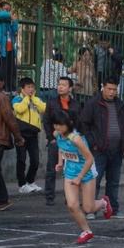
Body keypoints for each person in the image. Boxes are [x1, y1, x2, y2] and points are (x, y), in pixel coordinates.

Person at [50, 109, 113, 244]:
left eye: (61, 124)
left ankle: (104, 203)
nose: (57, 127)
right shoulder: (57, 134)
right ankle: (87, 231)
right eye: (55, 124)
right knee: (72, 205)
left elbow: (90, 159)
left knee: (88, 208)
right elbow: (61, 146)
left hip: (86, 171)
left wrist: (80, 177)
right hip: (69, 172)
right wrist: (60, 162)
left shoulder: (76, 138)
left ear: (70, 123)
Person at [79, 76, 124, 219]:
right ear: (103, 87)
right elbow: (84, 125)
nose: (112, 92)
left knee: (114, 182)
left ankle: (113, 209)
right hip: (98, 151)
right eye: (109, 89)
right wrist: (93, 144)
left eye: (114, 89)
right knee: (95, 181)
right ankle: (90, 209)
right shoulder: (93, 104)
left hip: (116, 151)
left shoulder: (120, 105)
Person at [43, 76, 82, 206]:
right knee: (52, 169)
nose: (60, 87)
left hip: (70, 142)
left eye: (64, 85)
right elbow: (47, 122)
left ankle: (69, 196)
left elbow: (79, 123)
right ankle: (49, 196)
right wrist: (51, 138)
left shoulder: (76, 105)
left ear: (70, 88)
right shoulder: (52, 103)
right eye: (59, 84)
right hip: (56, 141)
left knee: (70, 169)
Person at [12, 77, 47, 194]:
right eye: (28, 87)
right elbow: (20, 109)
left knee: (35, 160)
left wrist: (33, 98)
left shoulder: (36, 100)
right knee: (21, 160)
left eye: (32, 87)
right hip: (21, 135)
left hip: (33, 135)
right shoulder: (17, 99)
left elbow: (44, 108)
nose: (31, 89)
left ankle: (30, 181)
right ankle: (22, 184)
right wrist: (27, 98)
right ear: (22, 89)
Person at [0, 72, 24, 211]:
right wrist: (18, 137)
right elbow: (10, 119)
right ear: (1, 82)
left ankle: (2, 199)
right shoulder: (2, 97)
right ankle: (2, 199)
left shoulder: (1, 97)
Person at [0, 2, 18, 93]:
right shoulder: (0, 17)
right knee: (3, 69)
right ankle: (3, 88)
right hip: (2, 48)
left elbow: (15, 29)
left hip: (10, 48)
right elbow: (0, 15)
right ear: (0, 8)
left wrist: (14, 21)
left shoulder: (9, 21)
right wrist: (10, 15)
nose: (8, 12)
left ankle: (12, 89)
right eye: (6, 9)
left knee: (12, 70)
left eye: (9, 10)